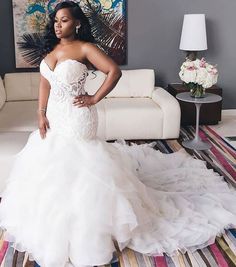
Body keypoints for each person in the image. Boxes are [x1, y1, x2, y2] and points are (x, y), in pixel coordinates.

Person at [0, 1, 236, 267]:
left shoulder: (85, 48)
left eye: (64, 20)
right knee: (51, 163)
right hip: (54, 116)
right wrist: (41, 112)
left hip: (78, 118)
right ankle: (56, 221)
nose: (58, 24)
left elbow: (113, 72)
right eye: (55, 20)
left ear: (76, 23)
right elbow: (45, 82)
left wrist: (93, 99)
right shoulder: (51, 49)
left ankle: (91, 228)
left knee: (81, 166)